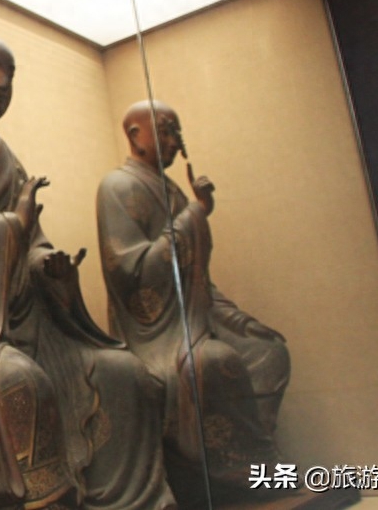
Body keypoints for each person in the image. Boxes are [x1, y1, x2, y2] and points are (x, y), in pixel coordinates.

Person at [0, 35, 174, 510]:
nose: (3, 81)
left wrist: (50, 267)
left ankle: (128, 502)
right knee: (18, 379)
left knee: (122, 372)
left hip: (37, 323)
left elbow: (34, 243)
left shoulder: (9, 160)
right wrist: (9, 226)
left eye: (10, 73)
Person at [96, 100, 290, 504]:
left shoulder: (172, 192)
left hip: (194, 318)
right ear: (135, 135)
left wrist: (237, 320)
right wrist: (196, 214)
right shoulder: (117, 187)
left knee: (267, 351)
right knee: (213, 361)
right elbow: (131, 272)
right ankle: (233, 470)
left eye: (178, 133)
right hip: (152, 330)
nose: (175, 142)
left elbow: (197, 281)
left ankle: (259, 460)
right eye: (167, 131)